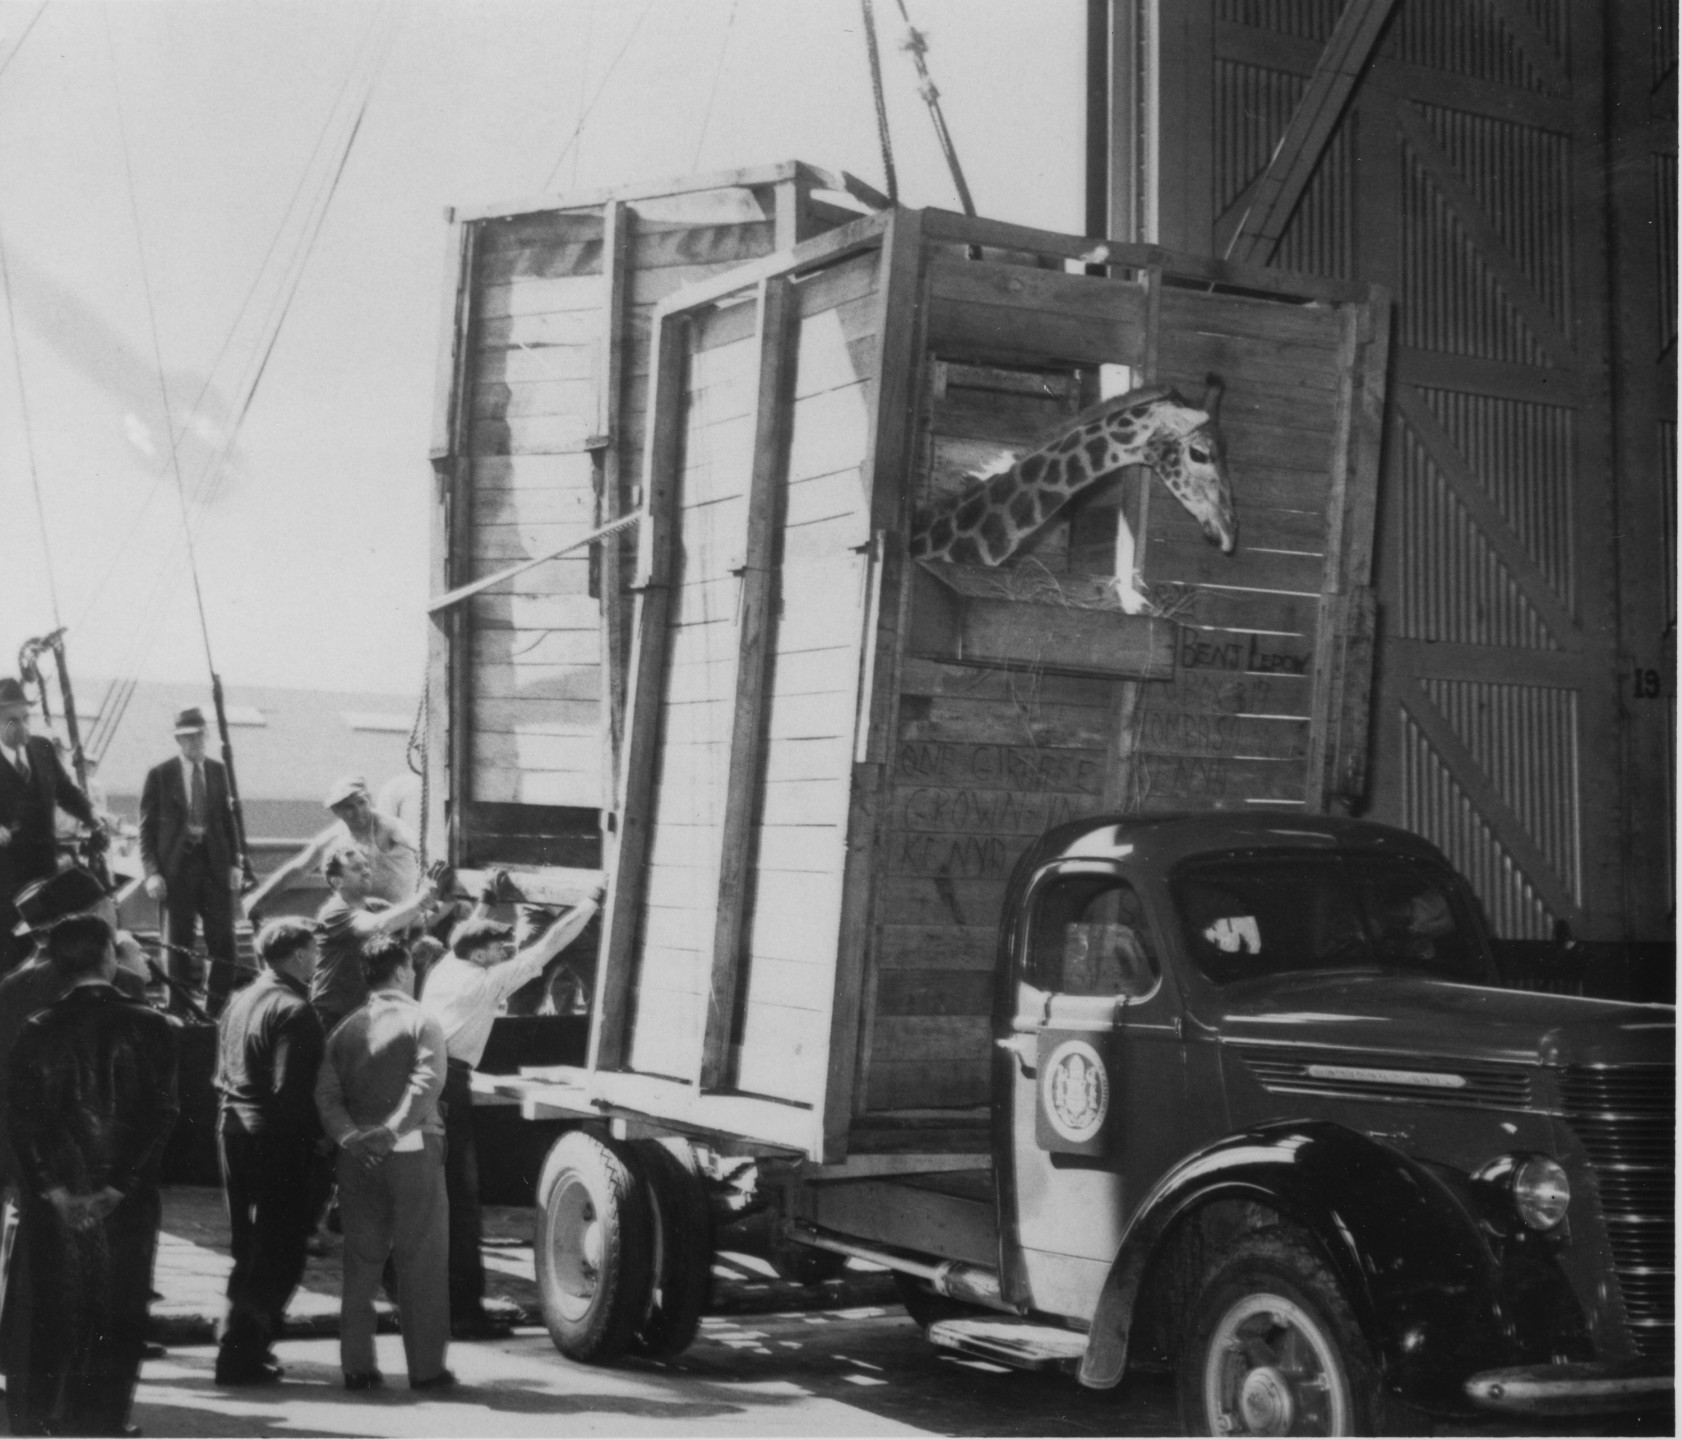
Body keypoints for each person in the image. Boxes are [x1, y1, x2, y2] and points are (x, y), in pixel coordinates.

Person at [5, 913, 179, 1437]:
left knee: (52, 1306)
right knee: (119, 1311)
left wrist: (53, 1189)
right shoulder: (150, 1025)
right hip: (121, 1198)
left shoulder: (37, 1029)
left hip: (57, 1192)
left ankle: (45, 1414)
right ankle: (100, 1419)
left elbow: (24, 1120)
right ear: (107, 953)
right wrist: (119, 1184)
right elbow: (162, 1116)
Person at [420, 894, 601, 1337]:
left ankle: (425, 1302)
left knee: (431, 1198)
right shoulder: (484, 982)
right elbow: (549, 945)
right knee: (461, 1204)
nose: (508, 954)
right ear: (482, 955)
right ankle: (461, 1315)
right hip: (446, 1083)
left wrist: (485, 905)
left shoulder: (447, 967)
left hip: (425, 1077)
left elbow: (467, 937)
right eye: (500, 949)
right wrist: (589, 903)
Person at [313, 936, 453, 1393]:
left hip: (357, 1159)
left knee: (361, 1259)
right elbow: (427, 1081)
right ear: (401, 971)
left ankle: (357, 1365)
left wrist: (353, 1137)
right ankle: (426, 1368)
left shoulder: (345, 1029)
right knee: (422, 1259)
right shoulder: (421, 1020)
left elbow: (327, 1096)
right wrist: (392, 1130)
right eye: (411, 969)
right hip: (413, 1150)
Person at [212, 917, 328, 1386]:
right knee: (280, 1250)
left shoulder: (240, 998)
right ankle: (242, 1354)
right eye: (315, 950)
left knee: (249, 1247)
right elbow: (292, 1094)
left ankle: (236, 1346)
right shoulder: (295, 1010)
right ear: (299, 955)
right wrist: (319, 1144)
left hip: (233, 1131)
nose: (318, 958)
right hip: (275, 1140)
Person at [139, 706, 243, 1015]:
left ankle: (216, 1011)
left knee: (224, 942)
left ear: (207, 736)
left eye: (199, 736)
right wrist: (152, 872)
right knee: (176, 945)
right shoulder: (160, 774)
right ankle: (179, 1011)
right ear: (178, 741)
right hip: (177, 868)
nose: (194, 743)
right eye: (187, 738)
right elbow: (146, 828)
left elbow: (228, 819)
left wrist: (235, 863)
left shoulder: (218, 770)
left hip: (214, 865)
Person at [0, 678, 101, 977]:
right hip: (5, 878)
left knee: (44, 950)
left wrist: (92, 815)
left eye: (25, 718)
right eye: (11, 720)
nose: (21, 726)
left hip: (43, 872)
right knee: (9, 954)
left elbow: (66, 791)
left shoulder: (42, 749)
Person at [312, 842, 444, 1035]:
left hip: (365, 1012)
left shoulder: (376, 907)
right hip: (333, 1015)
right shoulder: (333, 912)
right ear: (337, 881)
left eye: (366, 865)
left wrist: (450, 899)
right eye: (356, 868)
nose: (366, 871)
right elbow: (378, 925)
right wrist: (423, 899)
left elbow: (420, 918)